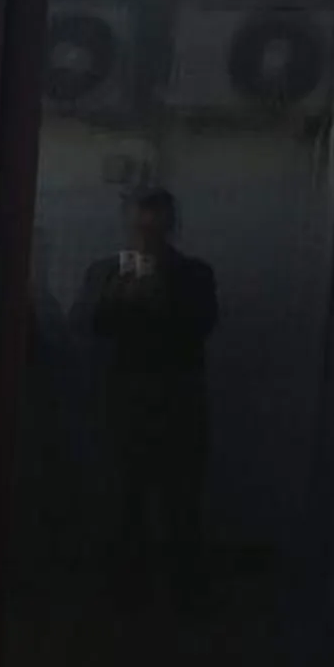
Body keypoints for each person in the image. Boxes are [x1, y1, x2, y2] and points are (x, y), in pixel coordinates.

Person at [76, 186, 217, 597]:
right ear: (128, 225)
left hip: (178, 406)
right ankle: (123, 594)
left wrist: (162, 297)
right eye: (140, 226)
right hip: (123, 406)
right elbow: (81, 325)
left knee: (182, 507)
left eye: (154, 226)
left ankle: (183, 595)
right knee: (123, 505)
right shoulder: (105, 272)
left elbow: (203, 326)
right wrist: (117, 299)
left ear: (170, 226)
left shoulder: (194, 274)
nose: (147, 236)